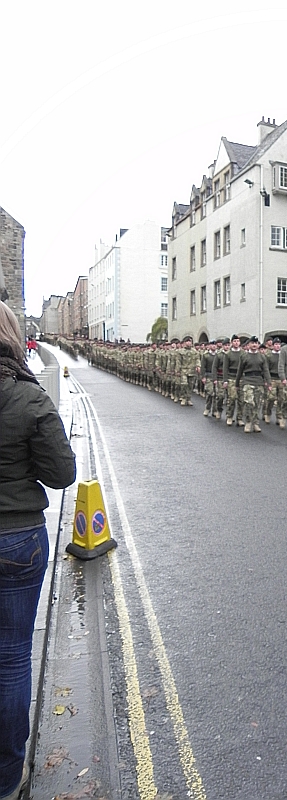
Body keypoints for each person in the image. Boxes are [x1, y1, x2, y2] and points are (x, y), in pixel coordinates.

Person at [0, 301, 76, 800]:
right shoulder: (28, 398)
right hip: (16, 538)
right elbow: (62, 474)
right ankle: (6, 778)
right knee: (10, 659)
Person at [235, 336, 271, 433]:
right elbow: (240, 370)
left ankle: (255, 423)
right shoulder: (244, 356)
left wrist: (269, 382)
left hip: (259, 381)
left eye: (256, 343)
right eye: (252, 343)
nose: (254, 345)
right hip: (247, 381)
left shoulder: (262, 357)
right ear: (248, 345)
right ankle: (248, 422)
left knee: (257, 404)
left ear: (258, 345)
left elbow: (266, 370)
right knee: (249, 402)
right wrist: (237, 383)